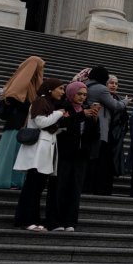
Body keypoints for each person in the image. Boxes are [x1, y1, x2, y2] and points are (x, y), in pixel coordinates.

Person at [12, 78, 66, 230]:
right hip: (38, 151)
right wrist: (59, 113)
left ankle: (32, 219)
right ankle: (26, 220)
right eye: (60, 89)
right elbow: (41, 122)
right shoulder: (41, 101)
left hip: (44, 150)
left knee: (36, 187)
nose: (62, 92)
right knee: (33, 187)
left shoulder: (47, 102)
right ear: (50, 89)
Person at [51, 81, 100, 232]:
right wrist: (80, 115)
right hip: (64, 153)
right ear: (71, 93)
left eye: (85, 95)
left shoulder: (86, 110)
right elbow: (61, 125)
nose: (82, 97)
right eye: (79, 94)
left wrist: (94, 120)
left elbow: (92, 135)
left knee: (75, 188)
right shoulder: (62, 107)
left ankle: (70, 221)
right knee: (59, 187)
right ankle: (55, 221)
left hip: (81, 155)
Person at [0, 56, 44, 190]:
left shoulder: (31, 84)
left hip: (20, 125)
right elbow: (15, 99)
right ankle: (8, 181)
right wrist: (34, 106)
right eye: (40, 67)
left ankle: (16, 181)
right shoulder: (22, 83)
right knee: (11, 154)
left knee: (18, 154)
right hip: (17, 125)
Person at [83, 66, 128, 196]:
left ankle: (97, 188)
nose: (113, 86)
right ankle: (94, 188)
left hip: (109, 135)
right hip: (101, 132)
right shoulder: (102, 92)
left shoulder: (89, 87)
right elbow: (115, 106)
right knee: (97, 161)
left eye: (116, 83)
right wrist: (125, 102)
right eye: (111, 83)